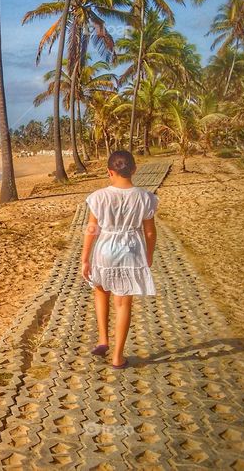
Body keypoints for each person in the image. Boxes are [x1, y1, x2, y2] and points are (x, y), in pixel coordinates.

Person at [80, 151, 158, 369]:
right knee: (123, 302)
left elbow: (92, 228)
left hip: (105, 247)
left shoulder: (99, 196)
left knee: (100, 289)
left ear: (109, 172)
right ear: (134, 170)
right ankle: (117, 357)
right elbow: (150, 232)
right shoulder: (144, 197)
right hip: (131, 250)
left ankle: (103, 339)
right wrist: (148, 255)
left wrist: (84, 258)